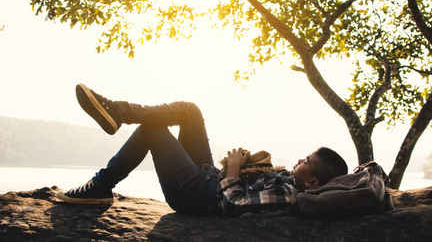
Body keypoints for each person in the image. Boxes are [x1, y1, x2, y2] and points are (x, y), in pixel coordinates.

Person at [57, 84, 348, 217]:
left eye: (306, 161)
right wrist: (244, 162)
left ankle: (101, 185)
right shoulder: (289, 179)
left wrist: (234, 168)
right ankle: (121, 111)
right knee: (190, 111)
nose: (300, 159)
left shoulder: (289, 193)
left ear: (312, 182)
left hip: (196, 193)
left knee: (152, 130)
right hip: (207, 176)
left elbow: (234, 205)